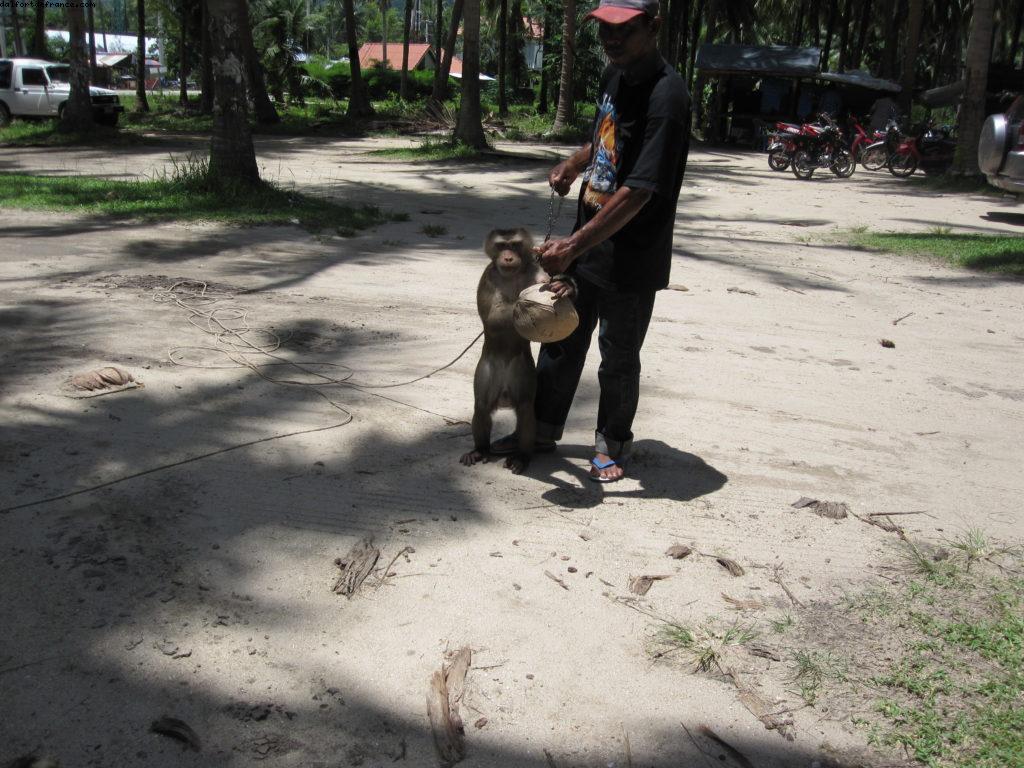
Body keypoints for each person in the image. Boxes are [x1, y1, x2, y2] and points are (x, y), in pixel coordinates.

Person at [494, 0, 691, 482]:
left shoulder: (668, 98)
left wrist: (574, 245)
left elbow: (641, 190)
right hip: (587, 244)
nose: (612, 39)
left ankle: (612, 441)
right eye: (604, 27)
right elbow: (607, 139)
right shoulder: (615, 75)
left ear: (653, 26)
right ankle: (540, 431)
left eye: (624, 29)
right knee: (560, 338)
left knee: (618, 352)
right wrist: (575, 162)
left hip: (632, 253)